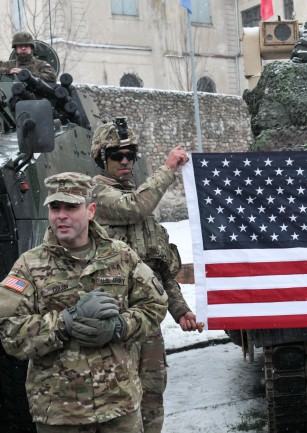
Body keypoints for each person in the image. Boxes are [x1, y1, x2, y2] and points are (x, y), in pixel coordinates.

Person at [0, 172, 168, 433]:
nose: (61, 215)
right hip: (60, 414)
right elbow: (10, 333)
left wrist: (120, 326)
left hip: (119, 407)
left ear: (90, 210)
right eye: (55, 207)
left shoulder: (120, 256)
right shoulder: (28, 266)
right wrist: (63, 324)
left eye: (71, 207)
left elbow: (155, 305)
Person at [89, 118, 201, 433]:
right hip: (115, 325)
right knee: (120, 402)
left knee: (152, 394)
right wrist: (168, 169)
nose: (125, 161)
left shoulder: (144, 215)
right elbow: (135, 206)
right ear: (102, 159)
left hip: (148, 323)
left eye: (130, 155)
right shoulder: (97, 196)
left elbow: (161, 267)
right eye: (116, 156)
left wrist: (180, 309)